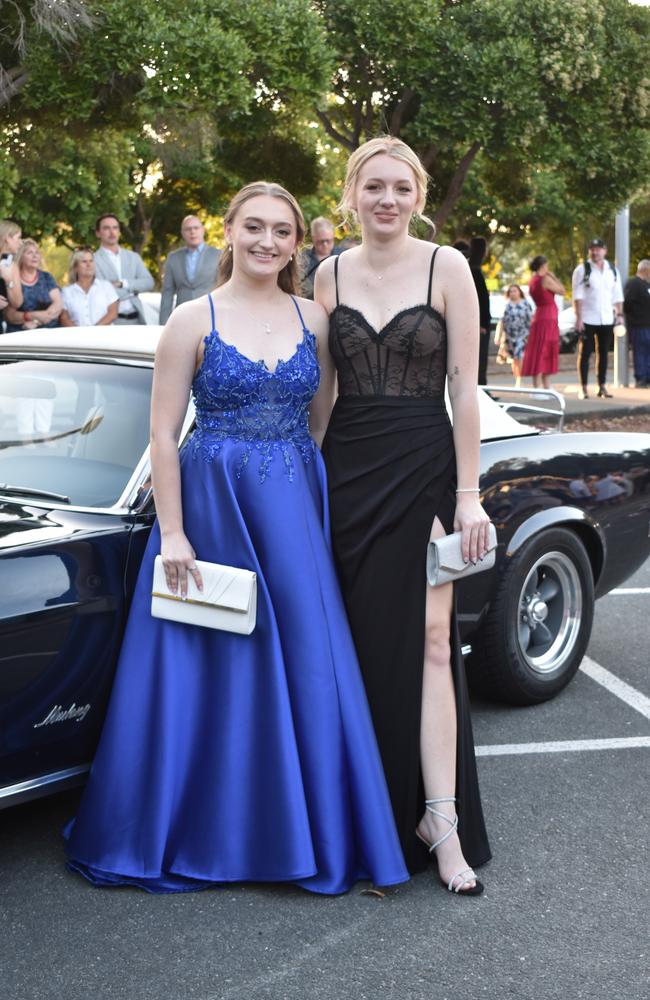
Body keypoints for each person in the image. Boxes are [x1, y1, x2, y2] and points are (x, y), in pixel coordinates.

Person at [64, 181, 408, 895]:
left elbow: (320, 420)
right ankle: (205, 831)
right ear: (228, 231)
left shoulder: (314, 317)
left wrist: (291, 481)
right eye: (255, 227)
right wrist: (177, 533)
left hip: (290, 504)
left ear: (294, 242)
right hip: (211, 510)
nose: (269, 242)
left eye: (282, 231)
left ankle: (303, 833)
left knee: (307, 659)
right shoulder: (192, 319)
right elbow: (162, 434)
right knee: (212, 663)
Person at [315, 136, 492, 895]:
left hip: (425, 470)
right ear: (351, 194)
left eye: (400, 188)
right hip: (346, 473)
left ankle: (441, 825)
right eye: (373, 187)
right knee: (355, 648)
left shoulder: (445, 266)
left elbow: (465, 390)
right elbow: (320, 397)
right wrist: (302, 488)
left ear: (418, 195)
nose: (387, 200)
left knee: (428, 642)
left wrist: (468, 493)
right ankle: (363, 817)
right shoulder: (325, 274)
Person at [572, 238, 624, 399]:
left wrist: (620, 315)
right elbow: (577, 296)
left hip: (607, 318)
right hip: (588, 317)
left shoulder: (612, 270)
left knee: (603, 353)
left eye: (598, 249)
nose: (595, 252)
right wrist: (579, 318)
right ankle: (583, 387)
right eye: (592, 249)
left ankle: (602, 386)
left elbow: (617, 295)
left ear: (604, 250)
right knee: (585, 353)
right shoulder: (582, 269)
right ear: (589, 251)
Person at [159, 215, 221, 324]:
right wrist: (163, 323)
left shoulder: (218, 255)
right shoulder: (173, 257)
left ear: (202, 230)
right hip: (182, 317)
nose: (192, 232)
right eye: (188, 229)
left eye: (196, 228)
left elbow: (224, 287)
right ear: (182, 233)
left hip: (211, 316)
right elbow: (167, 292)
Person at [93, 213, 154, 324]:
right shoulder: (93, 260)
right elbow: (100, 291)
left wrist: (122, 284)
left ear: (119, 231)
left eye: (115, 228)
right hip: (110, 322)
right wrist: (132, 292)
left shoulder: (133, 257)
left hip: (137, 320)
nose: (112, 232)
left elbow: (149, 283)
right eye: (106, 228)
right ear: (98, 233)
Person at [520, 256, 564, 389]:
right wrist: (554, 277)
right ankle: (540, 388)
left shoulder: (532, 281)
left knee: (539, 349)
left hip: (539, 315)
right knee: (545, 350)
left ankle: (543, 387)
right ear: (543, 265)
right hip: (548, 317)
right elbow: (562, 290)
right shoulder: (545, 279)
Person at [4, 239, 62, 332]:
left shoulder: (46, 277)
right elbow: (9, 315)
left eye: (37, 253)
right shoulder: (13, 278)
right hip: (21, 333)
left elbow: (58, 304)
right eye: (30, 253)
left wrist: (36, 321)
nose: (35, 256)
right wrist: (31, 316)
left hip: (49, 331)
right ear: (21, 256)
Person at [60, 247, 119, 327]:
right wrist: (80, 335)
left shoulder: (106, 286)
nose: (89, 264)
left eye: (91, 261)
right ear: (75, 267)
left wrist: (93, 332)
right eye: (84, 261)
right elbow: (64, 318)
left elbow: (112, 313)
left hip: (105, 336)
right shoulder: (67, 292)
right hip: (77, 337)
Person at [623, 259, 650, 388]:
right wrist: (635, 316)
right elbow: (627, 303)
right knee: (640, 352)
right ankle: (641, 378)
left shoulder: (647, 285)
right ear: (645, 269)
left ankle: (648, 377)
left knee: (647, 352)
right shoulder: (634, 283)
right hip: (638, 325)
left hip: (647, 325)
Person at [299, 216, 340, 299]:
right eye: (321, 241)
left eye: (328, 241)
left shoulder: (343, 256)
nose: (325, 245)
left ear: (333, 236)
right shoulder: (302, 259)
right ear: (314, 238)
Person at [501, 284, 533, 387]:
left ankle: (519, 379)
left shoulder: (525, 304)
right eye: (511, 291)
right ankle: (517, 377)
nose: (513, 293)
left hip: (522, 335)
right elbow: (503, 321)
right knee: (513, 359)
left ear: (519, 292)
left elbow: (530, 319)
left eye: (515, 291)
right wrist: (502, 335)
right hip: (510, 336)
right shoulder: (507, 305)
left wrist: (530, 334)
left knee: (519, 357)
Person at [0, 220, 23, 326]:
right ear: (8, 238)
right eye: (18, 237)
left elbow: (17, 303)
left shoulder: (11, 266)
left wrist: (8, 280)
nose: (20, 242)